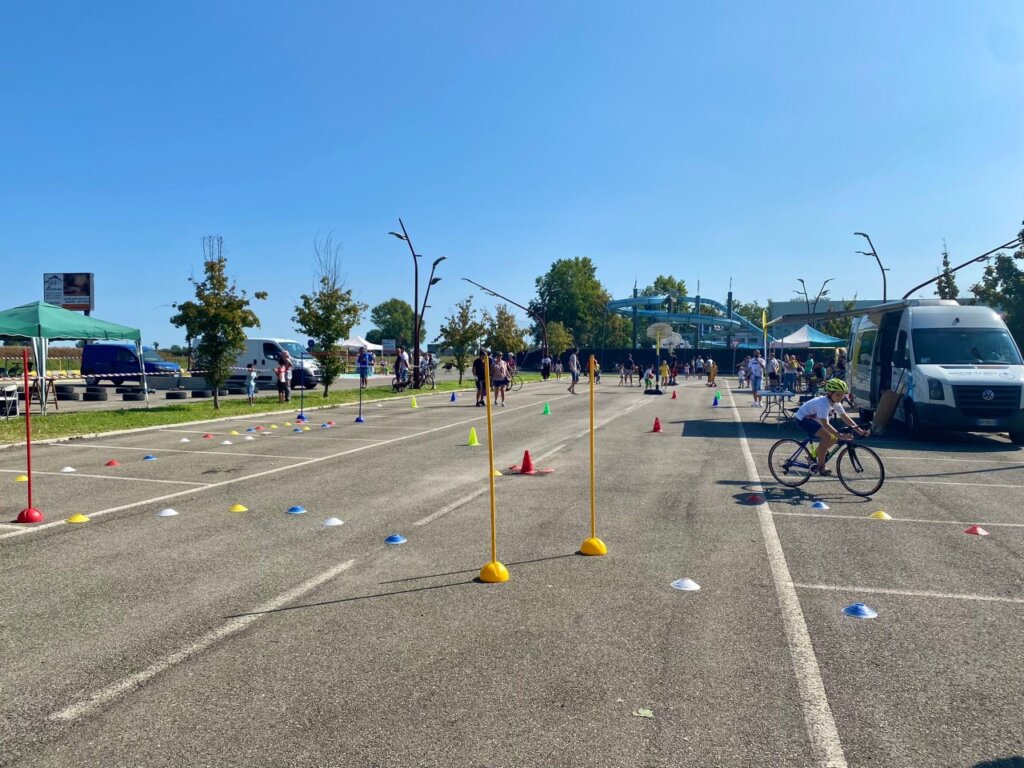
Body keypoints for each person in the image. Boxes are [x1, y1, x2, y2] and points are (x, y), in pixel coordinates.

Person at [793, 378, 868, 475]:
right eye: (838, 394)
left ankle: (812, 456)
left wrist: (860, 431)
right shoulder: (823, 403)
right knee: (827, 436)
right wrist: (840, 435)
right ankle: (821, 466)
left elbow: (845, 417)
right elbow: (825, 424)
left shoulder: (836, 403)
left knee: (833, 438)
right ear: (829, 393)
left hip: (814, 419)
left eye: (842, 395)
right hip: (803, 419)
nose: (840, 397)